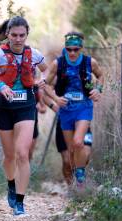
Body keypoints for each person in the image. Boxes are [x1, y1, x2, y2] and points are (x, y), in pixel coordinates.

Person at [0, 16, 47, 215]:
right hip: (3, 108)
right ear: (7, 34)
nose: (18, 39)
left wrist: (41, 80)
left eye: (22, 35)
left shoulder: (34, 54)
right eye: (14, 35)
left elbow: (47, 71)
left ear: (27, 35)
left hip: (26, 107)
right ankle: (11, 184)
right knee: (10, 155)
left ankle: (20, 203)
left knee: (23, 153)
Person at [44, 31, 104, 188]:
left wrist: (98, 90)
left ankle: (80, 176)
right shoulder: (58, 64)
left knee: (78, 142)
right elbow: (46, 86)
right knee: (71, 150)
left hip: (84, 107)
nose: (72, 52)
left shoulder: (90, 62)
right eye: (69, 49)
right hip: (65, 111)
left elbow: (101, 76)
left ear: (81, 48)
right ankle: (75, 184)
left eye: (75, 49)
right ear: (65, 48)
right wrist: (56, 99)